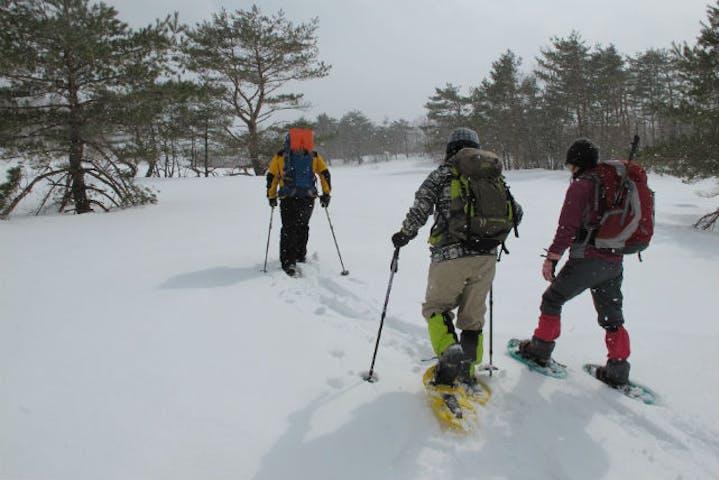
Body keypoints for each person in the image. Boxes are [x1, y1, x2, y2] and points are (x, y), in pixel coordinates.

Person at [391, 127, 522, 387]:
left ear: (450, 149)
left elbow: (421, 209)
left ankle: (450, 352)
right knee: (473, 317)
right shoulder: (493, 176)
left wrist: (403, 235)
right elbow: (516, 213)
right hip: (486, 256)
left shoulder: (442, 174)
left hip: (449, 256)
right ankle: (468, 369)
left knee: (436, 309)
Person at [517, 138, 631, 386]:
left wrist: (551, 258)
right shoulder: (611, 184)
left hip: (587, 260)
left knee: (552, 299)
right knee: (612, 316)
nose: (569, 171)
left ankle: (540, 350)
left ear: (577, 164)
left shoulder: (581, 186)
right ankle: (618, 368)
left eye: (570, 166)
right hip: (614, 261)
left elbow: (567, 228)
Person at [266, 129, 331, 277]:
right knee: (302, 225)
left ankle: (288, 261)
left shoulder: (281, 156)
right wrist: (326, 194)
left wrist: (271, 196)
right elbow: (324, 173)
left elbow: (272, 176)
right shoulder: (313, 156)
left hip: (288, 198)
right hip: (307, 198)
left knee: (289, 229)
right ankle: (300, 254)